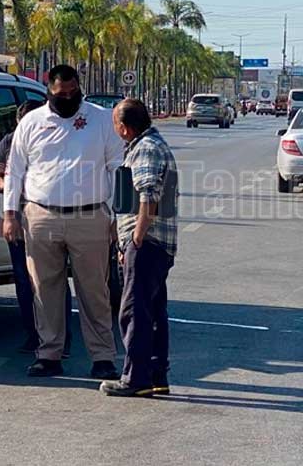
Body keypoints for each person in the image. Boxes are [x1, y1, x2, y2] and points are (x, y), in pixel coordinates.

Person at [3, 64, 122, 379]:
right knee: (45, 289)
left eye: (73, 92)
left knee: (94, 291)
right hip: (41, 216)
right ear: (49, 91)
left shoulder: (100, 119)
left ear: (79, 88)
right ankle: (49, 354)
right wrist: (10, 214)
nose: (67, 98)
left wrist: (118, 216)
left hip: (90, 216)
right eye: (61, 94)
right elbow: (14, 171)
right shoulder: (31, 122)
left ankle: (103, 357)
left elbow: (117, 167)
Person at [101, 99, 179, 397]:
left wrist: (136, 236)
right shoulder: (147, 145)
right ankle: (156, 375)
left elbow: (149, 194)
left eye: (115, 124)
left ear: (125, 127)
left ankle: (136, 379)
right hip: (154, 244)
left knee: (134, 311)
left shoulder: (146, 148)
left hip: (147, 244)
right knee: (152, 311)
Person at [0, 101, 73, 356]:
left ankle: (61, 339)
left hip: (49, 218)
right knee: (24, 280)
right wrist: (10, 189)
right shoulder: (9, 142)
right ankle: (33, 335)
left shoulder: (57, 139)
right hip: (18, 218)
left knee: (53, 278)